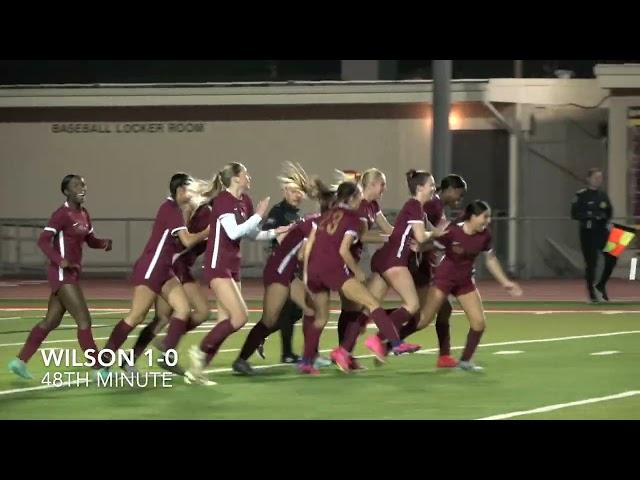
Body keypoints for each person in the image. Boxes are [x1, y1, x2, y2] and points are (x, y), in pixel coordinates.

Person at [186, 162, 290, 384]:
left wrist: (274, 232)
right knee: (240, 317)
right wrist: (259, 215)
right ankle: (201, 349)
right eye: (245, 174)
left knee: (225, 321)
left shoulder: (245, 201)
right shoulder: (224, 200)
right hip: (217, 265)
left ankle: (197, 370)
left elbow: (251, 234)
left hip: (232, 266)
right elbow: (233, 233)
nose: (249, 176)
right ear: (235, 178)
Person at [303, 181, 420, 374]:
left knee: (321, 318)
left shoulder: (326, 215)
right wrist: (356, 270)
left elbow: (314, 242)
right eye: (358, 196)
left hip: (314, 268)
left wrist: (307, 273)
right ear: (351, 199)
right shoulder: (352, 217)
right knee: (372, 303)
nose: (361, 200)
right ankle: (396, 343)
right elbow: (343, 250)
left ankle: (306, 362)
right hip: (332, 268)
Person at [100, 173, 210, 375]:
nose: (194, 194)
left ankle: (159, 355)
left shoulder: (176, 209)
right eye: (191, 190)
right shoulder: (171, 209)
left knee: (182, 309)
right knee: (136, 316)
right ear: (180, 191)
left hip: (164, 269)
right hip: (152, 267)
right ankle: (103, 361)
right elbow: (186, 241)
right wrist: (206, 232)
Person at [9, 174, 112, 380]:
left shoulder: (84, 214)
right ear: (66, 192)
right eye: (76, 186)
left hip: (71, 273)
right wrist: (59, 260)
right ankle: (98, 369)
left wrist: (102, 243)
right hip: (61, 274)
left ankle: (19, 362)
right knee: (84, 320)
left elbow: (89, 239)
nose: (81, 188)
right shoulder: (61, 215)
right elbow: (43, 241)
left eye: (82, 184)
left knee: (50, 322)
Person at [400, 200, 523, 371]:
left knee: (479, 323)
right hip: (444, 279)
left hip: (465, 281)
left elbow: (491, 259)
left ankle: (465, 361)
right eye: (484, 217)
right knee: (423, 320)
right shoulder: (453, 231)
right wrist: (419, 247)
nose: (488, 221)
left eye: (489, 217)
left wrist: (505, 282)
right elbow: (434, 244)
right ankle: (391, 341)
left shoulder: (485, 235)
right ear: (472, 217)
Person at [232, 171, 335, 375]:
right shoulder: (315, 223)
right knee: (269, 320)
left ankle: (310, 357)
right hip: (279, 270)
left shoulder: (315, 221)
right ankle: (241, 359)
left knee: (310, 310)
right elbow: (302, 255)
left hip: (288, 271)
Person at [410, 174, 467, 368]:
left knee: (442, 309)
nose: (459, 199)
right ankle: (385, 339)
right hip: (421, 264)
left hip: (429, 263)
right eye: (458, 194)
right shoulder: (431, 206)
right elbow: (421, 235)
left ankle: (444, 356)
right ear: (449, 189)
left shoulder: (437, 206)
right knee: (422, 315)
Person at [570, 168, 617, 302]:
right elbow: (574, 214)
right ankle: (592, 293)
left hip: (602, 231)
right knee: (591, 263)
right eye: (596, 177)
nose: (598, 180)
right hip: (588, 232)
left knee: (613, 256)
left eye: (600, 178)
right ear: (588, 179)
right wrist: (591, 216)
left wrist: (604, 219)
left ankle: (601, 285)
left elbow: (609, 211)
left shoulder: (603, 195)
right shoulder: (581, 195)